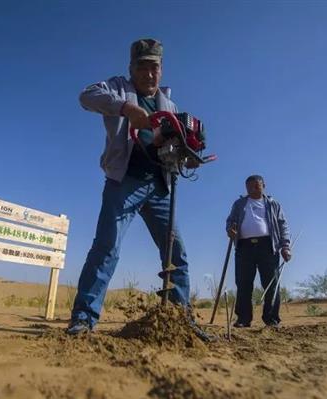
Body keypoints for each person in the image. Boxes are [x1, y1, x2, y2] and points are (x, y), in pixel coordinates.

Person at [67, 38, 206, 338]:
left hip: (159, 186)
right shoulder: (117, 88)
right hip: (123, 182)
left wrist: (187, 157)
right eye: (142, 67)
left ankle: (182, 321)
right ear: (131, 68)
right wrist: (126, 109)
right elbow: (86, 96)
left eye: (154, 67)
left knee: (175, 254)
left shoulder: (170, 105)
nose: (149, 73)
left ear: (161, 69)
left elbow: (175, 146)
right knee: (106, 248)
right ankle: (83, 318)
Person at [226, 175, 291, 328]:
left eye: (256, 186)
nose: (252, 189)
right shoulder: (239, 203)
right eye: (249, 187)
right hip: (244, 246)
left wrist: (285, 246)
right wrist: (230, 230)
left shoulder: (273, 204)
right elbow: (230, 221)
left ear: (263, 185)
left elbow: (283, 225)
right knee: (243, 283)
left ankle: (271, 319)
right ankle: (243, 319)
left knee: (271, 283)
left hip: (268, 246)